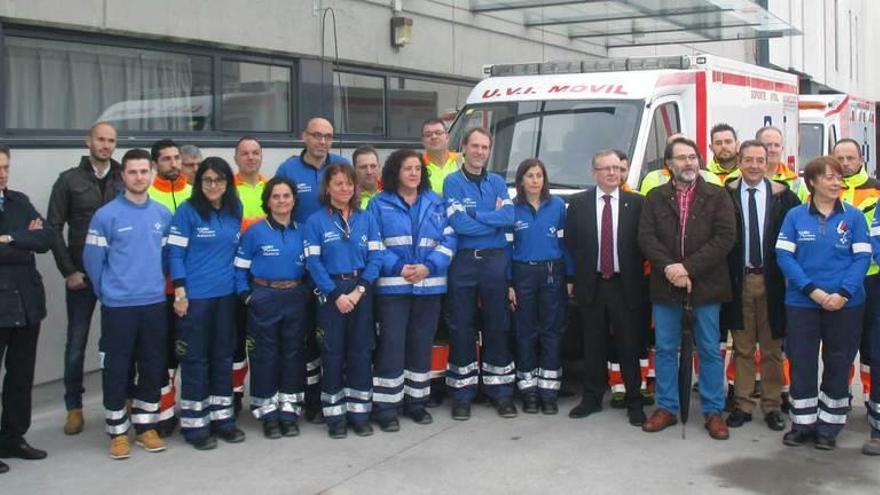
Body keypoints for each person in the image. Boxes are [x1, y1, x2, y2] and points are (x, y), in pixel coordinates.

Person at [638, 137, 736, 440]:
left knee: (708, 349)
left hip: (706, 285)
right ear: (669, 164)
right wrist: (670, 268)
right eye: (681, 158)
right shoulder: (654, 197)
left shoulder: (717, 196)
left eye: (692, 157)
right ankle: (666, 407)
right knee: (666, 348)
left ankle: (712, 411)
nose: (688, 163)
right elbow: (646, 237)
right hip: (666, 284)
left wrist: (688, 268)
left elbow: (725, 238)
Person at [776, 156, 871, 450]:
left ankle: (829, 426)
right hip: (803, 302)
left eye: (838, 177)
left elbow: (862, 257)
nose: (836, 183)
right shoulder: (795, 216)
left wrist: (843, 292)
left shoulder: (853, 217)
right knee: (802, 361)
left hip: (846, 303)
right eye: (829, 177)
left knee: (838, 362)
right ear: (813, 181)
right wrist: (813, 291)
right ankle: (802, 423)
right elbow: (784, 257)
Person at [83, 148, 172, 459]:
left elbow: (167, 260)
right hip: (118, 306)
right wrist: (107, 293)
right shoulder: (106, 215)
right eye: (132, 172)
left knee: (152, 366)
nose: (138, 177)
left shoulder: (162, 214)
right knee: (117, 368)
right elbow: (93, 262)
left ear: (151, 174)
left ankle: (146, 427)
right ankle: (118, 432)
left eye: (143, 172)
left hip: (153, 304)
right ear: (123, 176)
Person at [367, 150, 455, 431]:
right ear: (395, 172)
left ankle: (417, 403)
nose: (414, 173)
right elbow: (373, 242)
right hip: (394, 288)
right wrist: (399, 268)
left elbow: (450, 239)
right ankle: (386, 408)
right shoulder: (379, 204)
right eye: (408, 168)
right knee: (392, 346)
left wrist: (429, 267)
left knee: (421, 346)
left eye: (418, 168)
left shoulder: (436, 202)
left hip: (429, 287)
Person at [47, 121, 123, 435]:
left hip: (117, 276)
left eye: (111, 141)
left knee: (117, 343)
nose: (106, 145)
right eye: (100, 140)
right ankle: (74, 407)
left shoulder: (124, 176)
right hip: (82, 277)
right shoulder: (69, 180)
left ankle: (120, 401)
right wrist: (69, 271)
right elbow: (53, 228)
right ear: (88, 142)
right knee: (77, 343)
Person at [721, 141, 800, 432]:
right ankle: (741, 405)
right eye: (749, 160)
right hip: (739, 280)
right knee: (741, 348)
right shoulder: (725, 196)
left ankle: (771, 405)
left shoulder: (784, 197)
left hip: (773, 282)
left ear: (769, 162)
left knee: (771, 348)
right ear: (739, 162)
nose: (755, 165)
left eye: (760, 159)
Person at [167, 157, 245, 450]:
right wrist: (180, 292)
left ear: (228, 183)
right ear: (199, 182)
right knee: (196, 360)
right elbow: (174, 254)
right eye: (208, 180)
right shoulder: (187, 212)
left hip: (225, 296)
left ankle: (223, 420)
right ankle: (195, 425)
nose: (214, 185)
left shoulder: (233, 210)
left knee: (223, 357)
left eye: (219, 180)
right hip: (195, 299)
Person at [275, 117, 350, 420]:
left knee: (331, 337)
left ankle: (332, 394)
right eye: (317, 135)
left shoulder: (342, 165)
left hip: (335, 268)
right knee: (304, 336)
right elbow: (278, 207)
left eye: (328, 136)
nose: (322, 141)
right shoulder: (288, 169)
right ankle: (308, 399)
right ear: (304, 136)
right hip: (301, 266)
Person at [566, 151, 647, 426]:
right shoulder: (578, 203)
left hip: (626, 285)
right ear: (594, 173)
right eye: (606, 168)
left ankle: (635, 400)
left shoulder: (637, 203)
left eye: (617, 168)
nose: (613, 173)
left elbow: (643, 243)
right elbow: (572, 242)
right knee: (593, 344)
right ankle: (591, 398)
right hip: (593, 283)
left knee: (629, 344)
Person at [304, 163, 383, 438]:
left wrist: (359, 290)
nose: (345, 189)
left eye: (349, 184)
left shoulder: (366, 218)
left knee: (361, 352)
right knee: (333, 353)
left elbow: (376, 258)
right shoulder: (315, 221)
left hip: (361, 289)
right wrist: (336, 294)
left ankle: (360, 413)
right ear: (327, 188)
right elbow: (313, 263)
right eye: (338, 184)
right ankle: (335, 416)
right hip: (331, 293)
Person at [443, 127, 516, 420]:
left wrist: (476, 215)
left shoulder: (498, 182)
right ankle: (462, 394)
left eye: (485, 147)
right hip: (463, 262)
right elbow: (459, 225)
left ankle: (500, 392)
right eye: (475, 146)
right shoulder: (452, 182)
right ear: (464, 148)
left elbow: (509, 217)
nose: (480, 152)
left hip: (494, 262)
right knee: (462, 326)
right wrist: (491, 220)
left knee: (497, 325)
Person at [234, 177, 308, 439]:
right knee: (265, 356)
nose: (281, 201)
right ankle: (267, 412)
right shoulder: (255, 232)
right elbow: (240, 270)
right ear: (268, 201)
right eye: (276, 196)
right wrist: (247, 297)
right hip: (264, 296)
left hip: (295, 297)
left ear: (294, 200)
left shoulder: (303, 230)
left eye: (286, 196)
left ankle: (289, 411)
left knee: (292, 354)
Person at [0, 145, 52, 474]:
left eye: (5, 166)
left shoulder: (18, 200)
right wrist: (22, 239)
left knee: (20, 377)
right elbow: (30, 242)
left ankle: (13, 438)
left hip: (26, 303)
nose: (2, 173)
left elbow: (45, 238)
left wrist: (6, 239)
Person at [506, 158, 571, 415]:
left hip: (552, 273)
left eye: (539, 175)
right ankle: (529, 391)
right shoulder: (512, 209)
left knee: (551, 331)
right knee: (525, 332)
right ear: (521, 180)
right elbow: (507, 248)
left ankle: (549, 391)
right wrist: (509, 282)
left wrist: (571, 278)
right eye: (530, 175)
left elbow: (566, 245)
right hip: (522, 274)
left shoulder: (557, 206)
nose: (535, 180)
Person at [831, 139, 880, 414]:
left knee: (872, 344)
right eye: (841, 158)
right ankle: (842, 395)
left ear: (861, 159)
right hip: (838, 277)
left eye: (851, 157)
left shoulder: (875, 188)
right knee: (841, 343)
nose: (846, 163)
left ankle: (873, 399)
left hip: (872, 278)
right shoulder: (825, 188)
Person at [148, 139, 192, 437]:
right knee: (162, 357)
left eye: (177, 158)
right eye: (166, 159)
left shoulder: (194, 194)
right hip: (157, 290)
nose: (174, 163)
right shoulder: (147, 196)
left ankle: (191, 409)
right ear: (155, 165)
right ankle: (163, 413)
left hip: (191, 290)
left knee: (190, 352)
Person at [232, 137, 269, 414]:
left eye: (255, 152)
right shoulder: (226, 189)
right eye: (245, 153)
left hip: (267, 279)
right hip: (237, 277)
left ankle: (263, 395)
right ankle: (233, 396)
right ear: (236, 157)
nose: (250, 157)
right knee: (234, 344)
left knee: (262, 344)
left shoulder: (272, 188)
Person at [421, 118, 459, 195]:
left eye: (438, 133)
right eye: (428, 135)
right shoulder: (418, 166)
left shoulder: (462, 162)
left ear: (447, 137)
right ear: (423, 141)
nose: (434, 137)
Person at [755, 126, 798, 191]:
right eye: (768, 145)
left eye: (777, 145)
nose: (773, 150)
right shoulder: (741, 177)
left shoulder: (795, 182)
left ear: (782, 149)